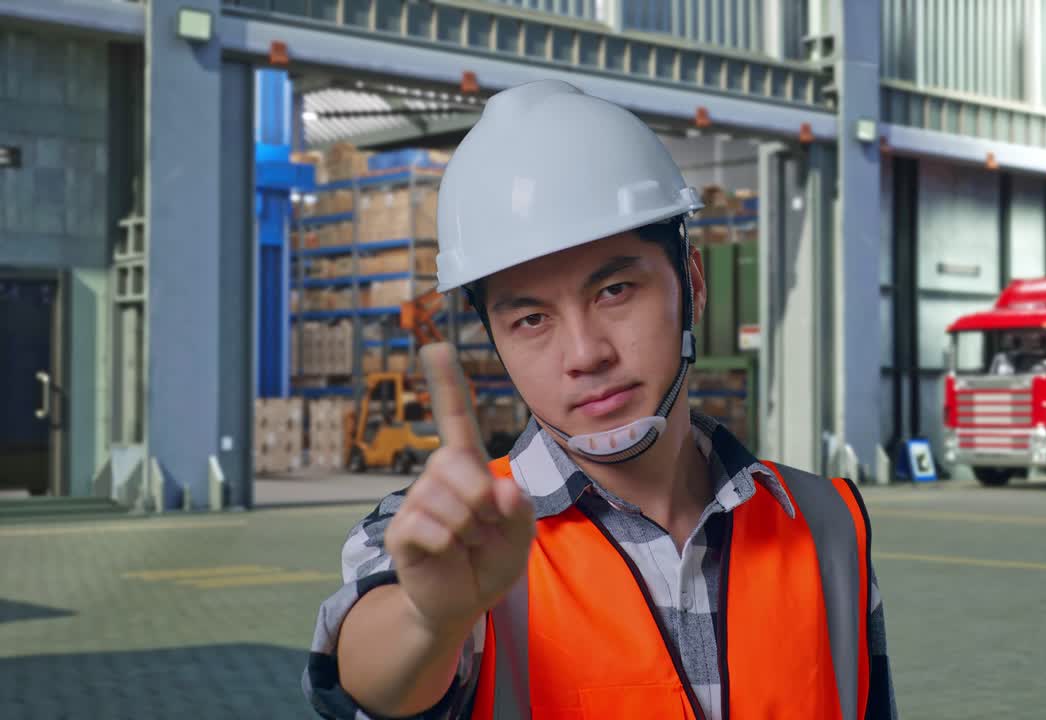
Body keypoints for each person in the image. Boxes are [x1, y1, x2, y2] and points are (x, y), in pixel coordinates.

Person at [303, 79, 898, 720]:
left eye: (614, 290)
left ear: (690, 286)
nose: (585, 353)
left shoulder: (827, 523)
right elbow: (370, 679)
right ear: (496, 341)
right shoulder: (451, 541)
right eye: (530, 320)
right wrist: (429, 621)